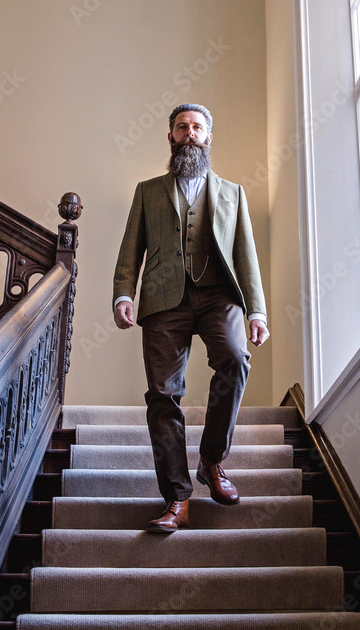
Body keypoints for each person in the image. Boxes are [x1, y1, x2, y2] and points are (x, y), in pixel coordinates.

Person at [112, 103, 269, 533]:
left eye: (197, 127)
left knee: (236, 359)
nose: (189, 134)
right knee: (163, 395)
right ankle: (177, 499)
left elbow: (246, 255)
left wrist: (256, 310)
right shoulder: (148, 191)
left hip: (219, 295)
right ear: (171, 137)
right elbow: (131, 248)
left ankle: (212, 460)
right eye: (182, 127)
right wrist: (123, 294)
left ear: (208, 137)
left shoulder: (233, 193)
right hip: (164, 299)